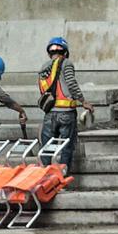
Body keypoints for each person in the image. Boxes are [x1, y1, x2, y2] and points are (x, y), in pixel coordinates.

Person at [37, 37, 93, 167]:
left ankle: (46, 173)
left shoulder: (43, 67)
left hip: (50, 114)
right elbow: (71, 83)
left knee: (47, 148)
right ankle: (63, 174)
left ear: (49, 53)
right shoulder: (66, 63)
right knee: (66, 147)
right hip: (66, 113)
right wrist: (83, 101)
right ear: (66, 52)